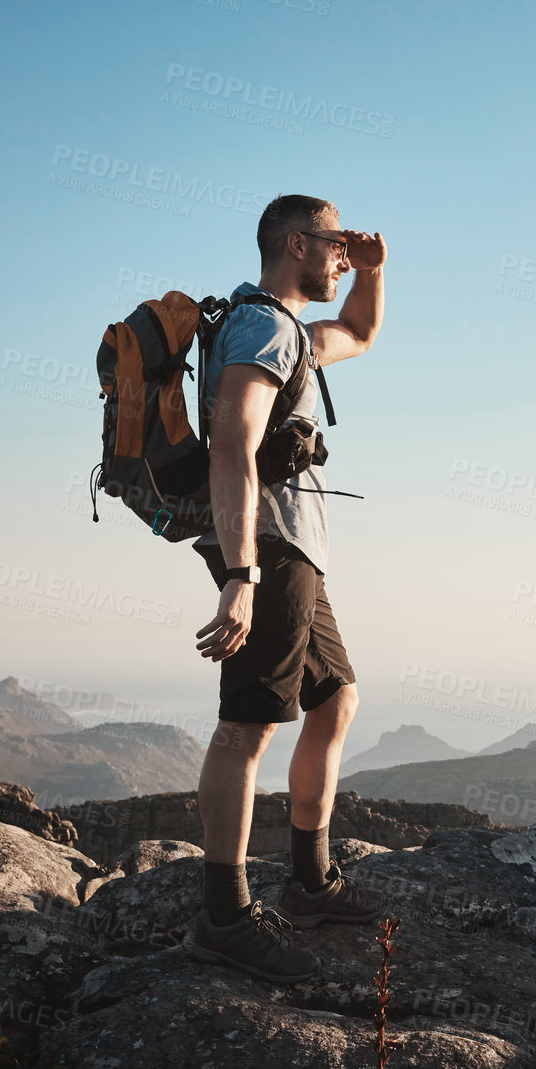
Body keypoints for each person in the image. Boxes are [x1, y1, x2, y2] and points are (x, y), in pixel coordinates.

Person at [182, 194, 385, 982]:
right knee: (248, 727)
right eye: (334, 244)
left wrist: (373, 272)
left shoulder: (289, 330)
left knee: (335, 699)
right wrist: (240, 576)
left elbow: (362, 334)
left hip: (291, 546)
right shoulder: (263, 327)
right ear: (295, 243)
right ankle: (225, 917)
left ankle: (308, 882)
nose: (342, 255)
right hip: (265, 547)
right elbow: (231, 440)